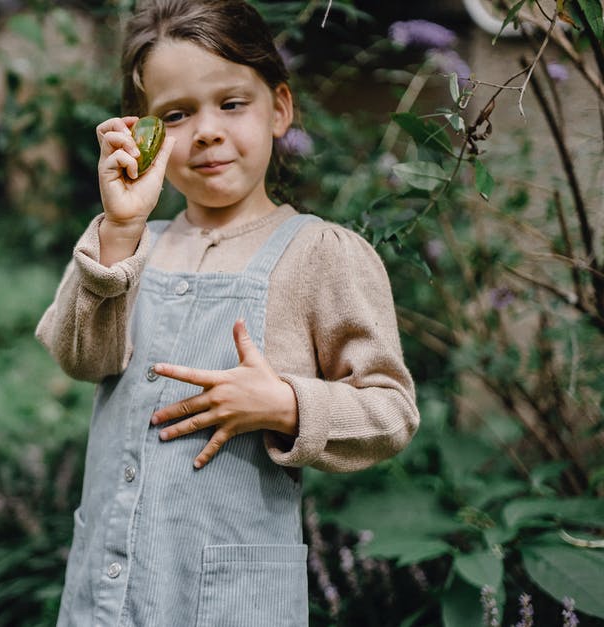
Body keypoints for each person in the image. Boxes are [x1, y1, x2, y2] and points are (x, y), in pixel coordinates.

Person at [34, 0, 422, 624]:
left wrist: (287, 406)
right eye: (177, 114)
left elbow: (391, 411)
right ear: (144, 134)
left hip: (230, 600)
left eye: (231, 103)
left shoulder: (320, 255)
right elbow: (82, 359)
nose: (207, 131)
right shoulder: (129, 245)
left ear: (281, 108)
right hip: (111, 589)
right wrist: (120, 230)